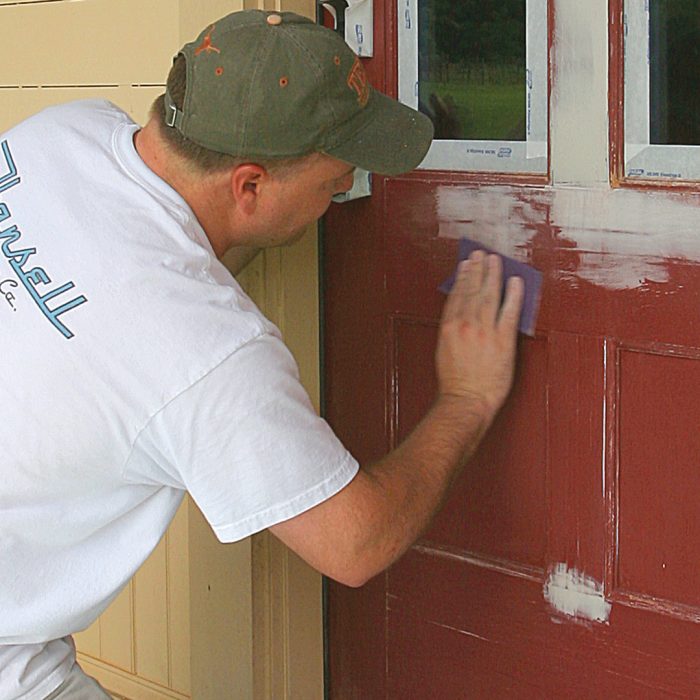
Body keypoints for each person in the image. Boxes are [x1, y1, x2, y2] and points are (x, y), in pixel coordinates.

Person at [0, 9, 523, 699]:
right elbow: (356, 542)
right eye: (334, 183)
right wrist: (467, 398)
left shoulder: (58, 135)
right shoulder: (209, 356)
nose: (341, 195)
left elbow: (142, 276)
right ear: (249, 186)